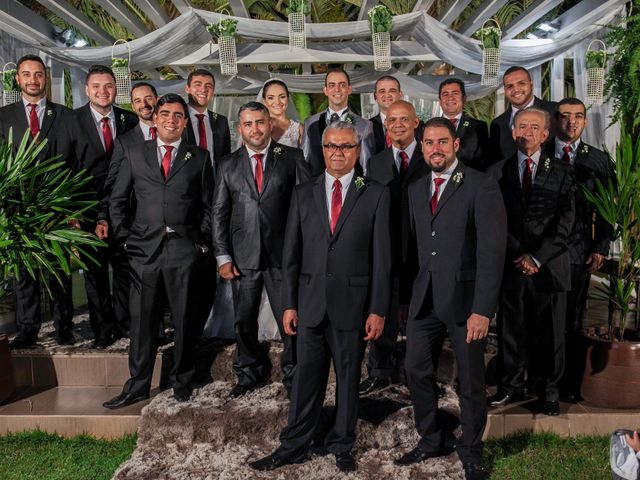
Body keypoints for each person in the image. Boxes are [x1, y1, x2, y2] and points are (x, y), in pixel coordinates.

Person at [249, 121, 391, 473]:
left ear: (357, 151)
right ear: (322, 150)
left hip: (353, 306)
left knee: (347, 380)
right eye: (331, 146)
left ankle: (342, 443)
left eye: (345, 146)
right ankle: (294, 445)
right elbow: (291, 255)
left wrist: (377, 309)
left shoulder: (374, 192)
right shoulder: (304, 192)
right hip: (310, 304)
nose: (338, 153)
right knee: (304, 381)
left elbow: (382, 259)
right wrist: (289, 304)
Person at [394, 118, 506, 480]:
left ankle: (471, 449)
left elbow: (492, 253)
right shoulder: (415, 188)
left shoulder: (480, 184)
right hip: (424, 299)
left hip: (465, 302)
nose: (435, 149)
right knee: (415, 369)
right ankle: (431, 437)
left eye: (443, 142)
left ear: (456, 145)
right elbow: (413, 251)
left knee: (471, 380)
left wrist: (482, 310)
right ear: (421, 146)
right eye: (428, 143)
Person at [103, 93, 213, 409]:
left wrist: (200, 244)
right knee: (142, 322)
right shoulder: (135, 153)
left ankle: (181, 381)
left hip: (183, 249)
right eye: (165, 114)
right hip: (143, 251)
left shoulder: (200, 157)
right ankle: (137, 385)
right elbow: (118, 200)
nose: (171, 120)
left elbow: (208, 206)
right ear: (155, 118)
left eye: (178, 115)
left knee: (184, 319)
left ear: (184, 121)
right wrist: (125, 240)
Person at [212, 101, 310, 398]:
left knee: (290, 319)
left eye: (260, 122)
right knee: (244, 318)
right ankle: (248, 372)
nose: (255, 129)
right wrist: (222, 255)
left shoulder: (292, 158)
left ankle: (294, 373)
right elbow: (219, 213)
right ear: (240, 129)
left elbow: (307, 207)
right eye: (248, 124)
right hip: (243, 257)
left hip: (284, 256)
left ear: (270, 125)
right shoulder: (228, 164)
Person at [487, 107, 575, 416]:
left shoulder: (562, 171)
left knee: (550, 332)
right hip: (512, 266)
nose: (528, 132)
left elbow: (566, 222)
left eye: (535, 127)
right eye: (521, 126)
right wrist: (518, 255)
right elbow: (494, 221)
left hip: (548, 267)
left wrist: (537, 257)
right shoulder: (496, 172)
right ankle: (510, 387)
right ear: (513, 132)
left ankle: (549, 391)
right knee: (510, 330)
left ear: (546, 134)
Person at [0, 54, 76, 349]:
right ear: (17, 79)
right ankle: (28, 328)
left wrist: (70, 208)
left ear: (46, 79)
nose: (33, 80)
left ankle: (64, 326)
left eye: (39, 75)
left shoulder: (65, 115)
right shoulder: (4, 116)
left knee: (59, 269)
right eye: (27, 74)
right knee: (24, 271)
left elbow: (74, 163)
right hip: (17, 207)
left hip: (56, 205)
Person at [544, 97, 613, 401]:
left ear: (585, 121)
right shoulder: (539, 154)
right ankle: (540, 381)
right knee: (543, 322)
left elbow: (610, 209)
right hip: (542, 257)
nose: (571, 122)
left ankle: (568, 386)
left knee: (572, 322)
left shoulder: (598, 160)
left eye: (578, 117)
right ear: (554, 120)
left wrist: (600, 247)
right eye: (565, 116)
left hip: (578, 255)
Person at [360, 100, 428, 395]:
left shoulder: (430, 157)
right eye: (392, 120)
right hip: (386, 250)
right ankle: (380, 370)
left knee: (419, 317)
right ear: (385, 126)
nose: (397, 124)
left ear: (416, 123)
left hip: (421, 250)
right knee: (382, 311)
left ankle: (419, 374)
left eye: (404, 119)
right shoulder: (375, 162)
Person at [72, 65, 138, 349]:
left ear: (116, 88)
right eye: (96, 86)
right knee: (96, 275)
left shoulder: (129, 120)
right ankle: (102, 330)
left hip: (124, 211)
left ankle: (125, 325)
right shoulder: (71, 121)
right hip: (86, 211)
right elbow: (64, 166)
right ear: (87, 90)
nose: (103, 91)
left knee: (124, 271)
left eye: (108, 85)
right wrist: (71, 213)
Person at [97, 82, 159, 242]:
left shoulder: (178, 135)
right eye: (138, 101)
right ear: (132, 106)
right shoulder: (125, 142)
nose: (144, 105)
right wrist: (104, 217)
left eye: (148, 98)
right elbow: (113, 184)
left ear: (157, 100)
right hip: (138, 225)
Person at [301, 67, 375, 176]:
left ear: (349, 89)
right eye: (332, 85)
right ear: (325, 90)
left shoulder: (364, 125)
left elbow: (366, 168)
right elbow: (304, 162)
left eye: (342, 85)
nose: (337, 89)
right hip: (318, 188)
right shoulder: (310, 122)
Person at [489, 66, 557, 165]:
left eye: (521, 83)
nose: (516, 89)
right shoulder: (498, 123)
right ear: (504, 90)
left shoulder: (554, 111)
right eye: (510, 86)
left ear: (531, 84)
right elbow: (495, 161)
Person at [183, 69, 231, 169]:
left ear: (213, 91)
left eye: (208, 86)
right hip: (185, 182)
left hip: (213, 181)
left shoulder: (221, 121)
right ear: (187, 89)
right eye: (198, 84)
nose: (203, 89)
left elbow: (226, 157)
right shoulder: (177, 118)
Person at [438, 78, 489, 171]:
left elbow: (485, 162)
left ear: (464, 99)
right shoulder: (429, 128)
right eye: (445, 94)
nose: (450, 98)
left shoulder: (480, 127)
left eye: (455, 93)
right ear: (440, 101)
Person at [261, 79, 303, 148]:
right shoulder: (256, 127)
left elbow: (305, 156)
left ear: (288, 98)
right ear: (264, 101)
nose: (277, 102)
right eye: (271, 98)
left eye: (282, 97)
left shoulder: (299, 129)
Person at [370, 75, 405, 154]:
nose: (387, 95)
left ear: (400, 94)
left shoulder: (415, 125)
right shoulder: (367, 126)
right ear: (375, 96)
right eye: (382, 91)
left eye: (392, 91)